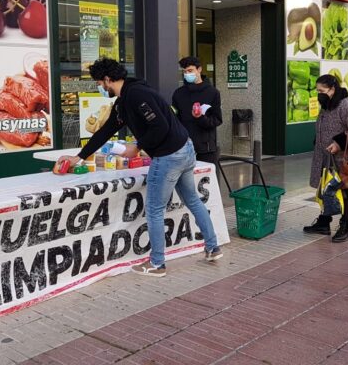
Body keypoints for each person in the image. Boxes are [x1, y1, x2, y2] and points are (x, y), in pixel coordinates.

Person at [54, 58, 222, 277]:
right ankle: (213, 247)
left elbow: (159, 126)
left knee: (154, 210)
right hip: (184, 149)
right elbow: (105, 131)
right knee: (192, 200)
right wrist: (79, 157)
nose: (99, 88)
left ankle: (157, 264)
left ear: (108, 79)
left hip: (169, 155)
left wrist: (137, 146)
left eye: (99, 83)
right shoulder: (124, 101)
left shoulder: (136, 95)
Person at [304, 75, 348, 243]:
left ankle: (346, 226)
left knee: (344, 190)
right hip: (325, 156)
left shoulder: (345, 105)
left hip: (341, 158)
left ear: (332, 89)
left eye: (322, 90)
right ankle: (324, 222)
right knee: (325, 188)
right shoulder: (326, 105)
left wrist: (338, 143)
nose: (319, 94)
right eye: (317, 90)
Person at [172, 57, 223, 165]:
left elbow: (217, 119)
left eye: (190, 70)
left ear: (199, 69)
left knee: (205, 175)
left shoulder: (212, 92)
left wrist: (200, 118)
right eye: (184, 72)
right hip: (184, 146)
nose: (187, 74)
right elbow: (175, 119)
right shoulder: (178, 93)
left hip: (205, 148)